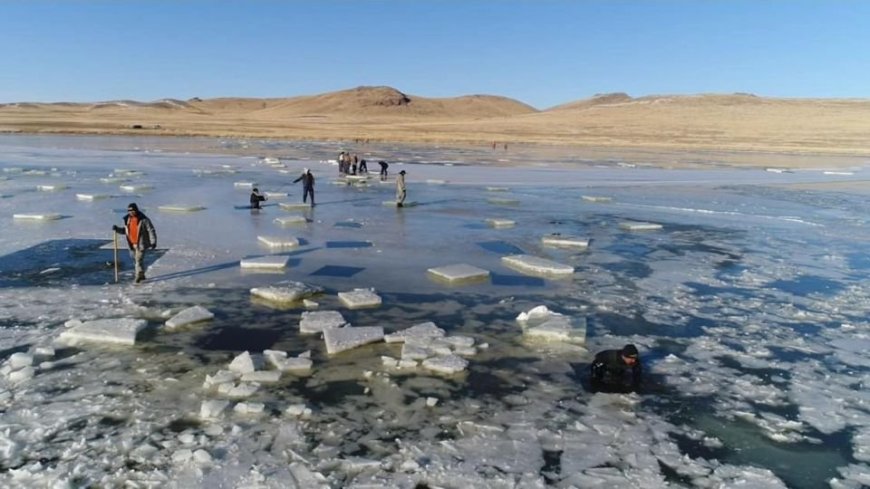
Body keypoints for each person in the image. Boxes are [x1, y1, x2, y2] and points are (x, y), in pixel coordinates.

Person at [112, 202, 157, 283]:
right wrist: (117, 229)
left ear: (136, 210)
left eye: (132, 211)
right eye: (129, 211)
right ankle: (142, 274)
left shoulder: (143, 219)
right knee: (135, 260)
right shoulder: (127, 220)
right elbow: (125, 231)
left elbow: (151, 230)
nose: (131, 212)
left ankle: (138, 277)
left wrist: (153, 242)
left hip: (141, 244)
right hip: (131, 244)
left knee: (138, 260)